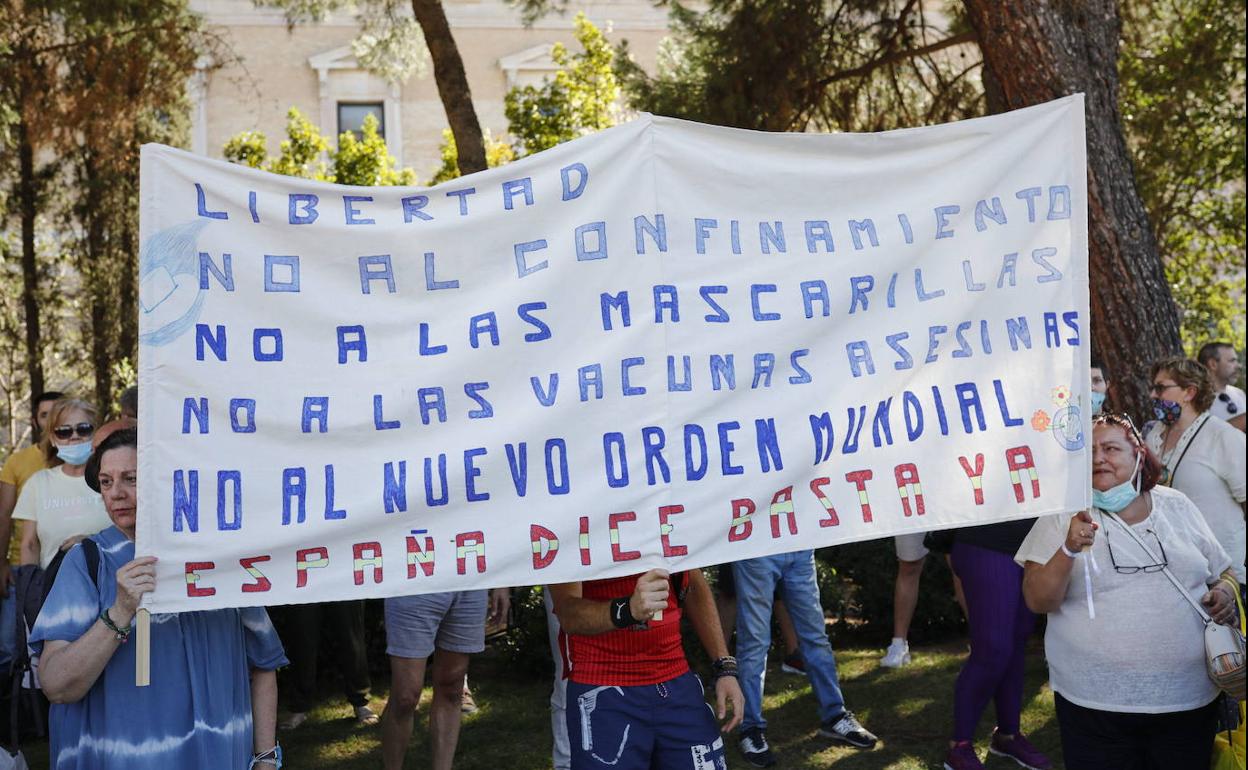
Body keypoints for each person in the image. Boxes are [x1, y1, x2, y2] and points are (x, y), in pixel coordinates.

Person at [31, 427, 288, 769]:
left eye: (131, 478)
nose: (116, 494)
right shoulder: (88, 560)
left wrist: (266, 758)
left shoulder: (220, 558)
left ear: (166, 478)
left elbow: (263, 665)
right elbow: (57, 686)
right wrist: (120, 612)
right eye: (106, 482)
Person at [1016, 413, 1238, 770]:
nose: (1099, 458)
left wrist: (1225, 593)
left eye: (1110, 448)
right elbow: (1038, 600)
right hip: (1093, 706)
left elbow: (1223, 571)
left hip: (1187, 702)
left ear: (1138, 454)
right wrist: (1069, 548)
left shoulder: (1176, 505)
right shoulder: (1062, 516)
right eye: (1088, 451)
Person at [550, 568, 744, 769]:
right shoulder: (575, 535)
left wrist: (724, 666)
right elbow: (568, 612)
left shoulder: (673, 534)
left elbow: (692, 584)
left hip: (676, 681)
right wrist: (626, 609)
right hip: (603, 687)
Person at [733, 550, 878, 767]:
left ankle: (835, 716)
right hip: (757, 547)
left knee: (815, 636)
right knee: (754, 643)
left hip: (798, 547)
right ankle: (750, 728)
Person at [941, 520, 1050, 770]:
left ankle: (1008, 736)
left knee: (1016, 642)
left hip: (1034, 539)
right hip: (985, 537)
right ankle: (959, 746)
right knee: (992, 648)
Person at [380, 585, 510, 770]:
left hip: (469, 583)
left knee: (452, 687)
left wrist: (502, 584)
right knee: (405, 696)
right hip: (413, 581)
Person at [1142, 356, 1246, 586]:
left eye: (1160, 388)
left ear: (1189, 392)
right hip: (1170, 571)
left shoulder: (1224, 437)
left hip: (1221, 576)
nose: (1152, 395)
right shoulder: (1154, 436)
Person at [13, 398, 111, 570]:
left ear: (95, 433)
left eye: (83, 429)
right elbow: (29, 544)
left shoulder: (111, 480)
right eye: (64, 432)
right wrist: (29, 587)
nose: (74, 437)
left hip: (111, 583)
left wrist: (92, 542)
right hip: (53, 589)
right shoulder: (38, 483)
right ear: (52, 438)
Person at [276, 600, 377, 729]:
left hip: (343, 582)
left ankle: (360, 701)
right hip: (303, 585)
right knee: (301, 639)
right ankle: (299, 706)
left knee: (351, 638)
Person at [0, 390, 65, 579]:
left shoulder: (85, 461)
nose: (52, 421)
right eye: (45, 415)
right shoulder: (17, 461)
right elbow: (4, 516)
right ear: (35, 421)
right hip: (23, 566)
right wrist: (2, 563)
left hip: (72, 564)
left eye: (58, 414)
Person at [715, 563, 805, 674]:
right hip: (737, 551)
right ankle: (720, 664)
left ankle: (794, 655)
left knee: (781, 587)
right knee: (730, 591)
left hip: (769, 549)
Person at [880, 533, 927, 668]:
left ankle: (980, 642)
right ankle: (899, 645)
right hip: (912, 514)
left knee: (959, 563)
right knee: (909, 564)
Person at [1198, 342, 1246, 432]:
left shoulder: (1239, 393)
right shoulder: (1196, 400)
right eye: (1232, 361)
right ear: (1213, 364)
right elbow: (1205, 436)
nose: (1238, 366)